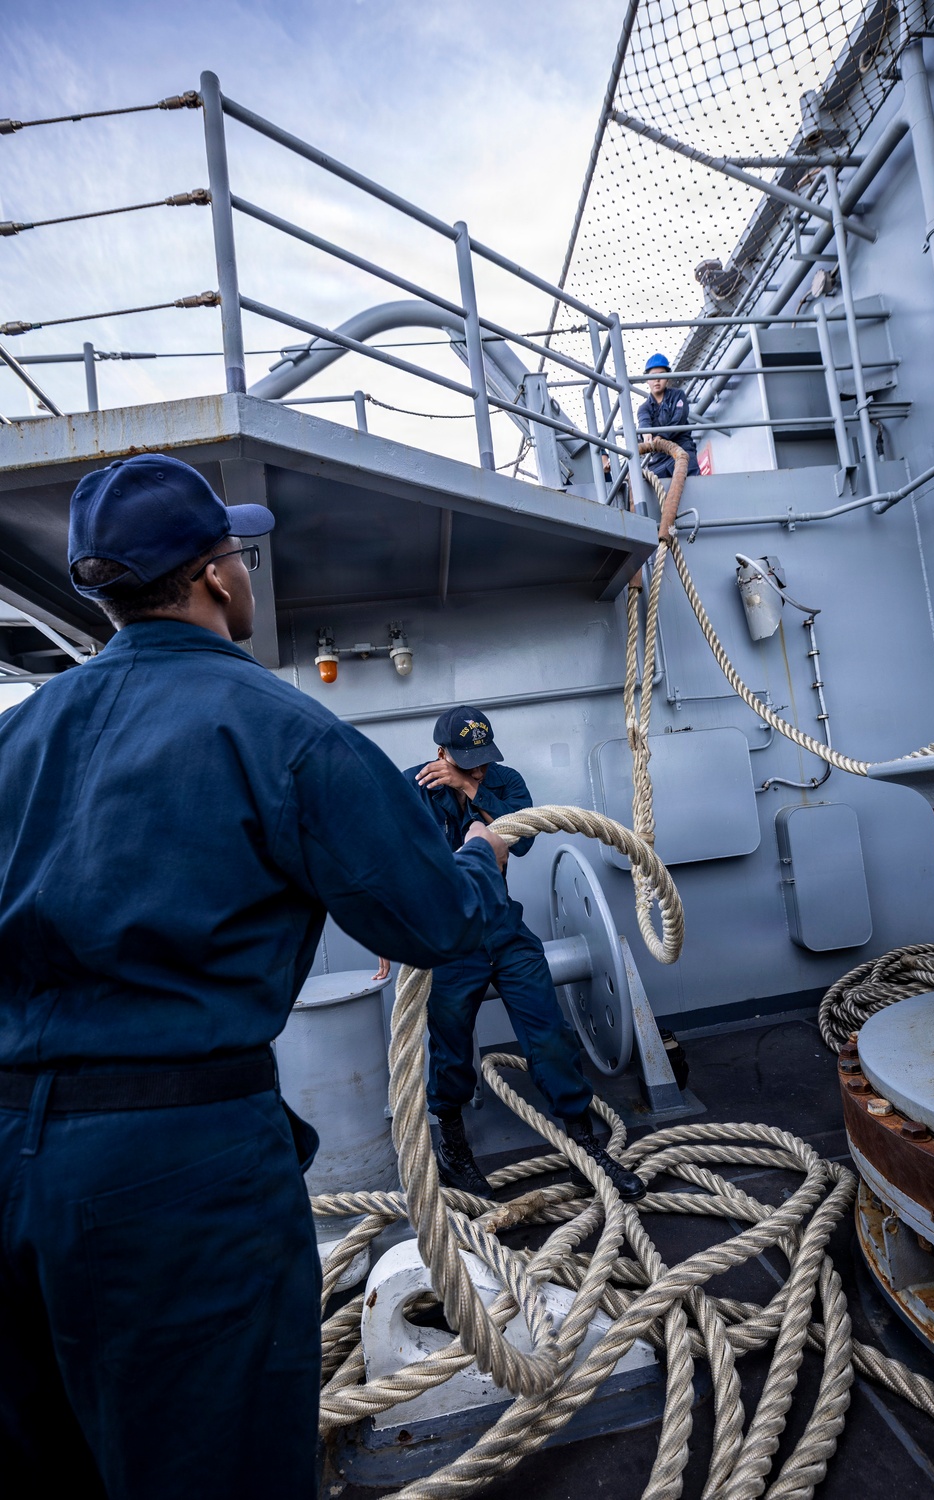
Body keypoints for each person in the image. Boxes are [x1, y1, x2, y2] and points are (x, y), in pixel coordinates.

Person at [0, 455, 511, 1500]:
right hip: (175, 1171)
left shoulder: (17, 736)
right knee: (213, 1461)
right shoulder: (283, 730)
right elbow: (434, 924)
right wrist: (481, 859)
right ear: (217, 577)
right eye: (236, 554)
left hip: (10, 1151)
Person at [403, 707, 646, 1204]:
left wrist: (472, 791)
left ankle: (583, 1144)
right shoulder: (413, 788)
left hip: (504, 930)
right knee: (449, 1047)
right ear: (440, 753)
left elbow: (527, 836)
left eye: (482, 761)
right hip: (450, 938)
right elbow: (400, 863)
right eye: (465, 762)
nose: (477, 770)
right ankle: (452, 1148)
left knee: (549, 1033)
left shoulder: (503, 781)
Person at [636, 352, 700, 479]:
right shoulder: (644, 408)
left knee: (694, 483)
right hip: (659, 458)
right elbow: (644, 420)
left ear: (668, 378)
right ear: (647, 379)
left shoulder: (678, 395)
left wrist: (660, 436)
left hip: (683, 448)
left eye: (662, 375)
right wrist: (646, 432)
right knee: (653, 487)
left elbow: (679, 419)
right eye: (653, 376)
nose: (657, 380)